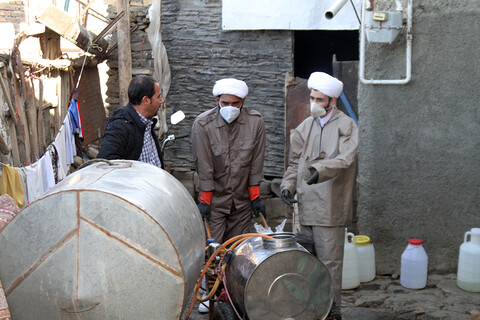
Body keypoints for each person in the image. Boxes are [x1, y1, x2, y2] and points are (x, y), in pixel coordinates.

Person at [280, 72, 358, 319]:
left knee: (330, 266)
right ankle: (312, 312)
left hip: (330, 208)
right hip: (306, 206)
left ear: (332, 101)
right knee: (308, 264)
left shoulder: (347, 126)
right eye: (312, 97)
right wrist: (288, 186)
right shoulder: (305, 126)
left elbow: (345, 159)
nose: (314, 103)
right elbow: (294, 163)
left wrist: (319, 170)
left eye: (320, 99)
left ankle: (333, 313)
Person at [192, 78, 267, 244]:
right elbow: (204, 167)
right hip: (216, 203)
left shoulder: (255, 122)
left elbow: (256, 164)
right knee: (212, 252)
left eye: (235, 103)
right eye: (225, 103)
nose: (230, 108)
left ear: (243, 102)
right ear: (217, 100)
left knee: (239, 252)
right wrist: (205, 201)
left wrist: (255, 198)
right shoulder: (203, 125)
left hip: (242, 203)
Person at [97, 75, 164, 168]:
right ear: (146, 100)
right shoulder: (120, 127)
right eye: (158, 97)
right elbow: (105, 164)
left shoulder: (147, 123)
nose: (161, 101)